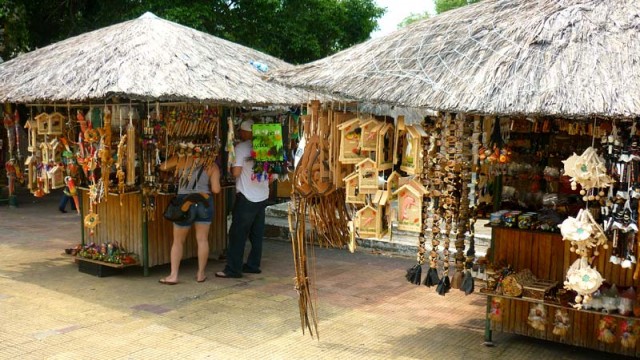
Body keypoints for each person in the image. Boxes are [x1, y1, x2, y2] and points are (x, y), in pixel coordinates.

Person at [216, 119, 272, 278]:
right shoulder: (267, 145)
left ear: (248, 133)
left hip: (247, 197)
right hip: (262, 196)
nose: (240, 133)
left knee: (237, 234)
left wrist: (232, 166)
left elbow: (236, 173)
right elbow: (273, 175)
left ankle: (233, 269)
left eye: (241, 131)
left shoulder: (241, 148)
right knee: (256, 234)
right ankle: (253, 265)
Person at [159, 154, 221, 285]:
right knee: (202, 239)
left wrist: (177, 160)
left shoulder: (181, 159)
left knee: (178, 241)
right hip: (204, 201)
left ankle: (174, 275)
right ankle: (200, 274)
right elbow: (216, 189)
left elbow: (162, 167)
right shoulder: (212, 165)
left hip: (185, 202)